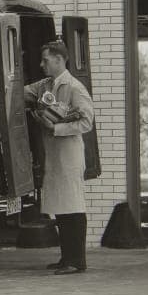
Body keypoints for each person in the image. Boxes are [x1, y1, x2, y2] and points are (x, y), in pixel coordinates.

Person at [24, 41, 96, 275]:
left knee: (73, 206)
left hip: (68, 154)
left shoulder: (75, 88)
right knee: (62, 208)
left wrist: (56, 129)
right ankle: (67, 257)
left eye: (45, 60)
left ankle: (77, 261)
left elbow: (86, 123)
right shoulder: (45, 85)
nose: (41, 64)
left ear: (58, 59)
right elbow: (21, 91)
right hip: (54, 155)